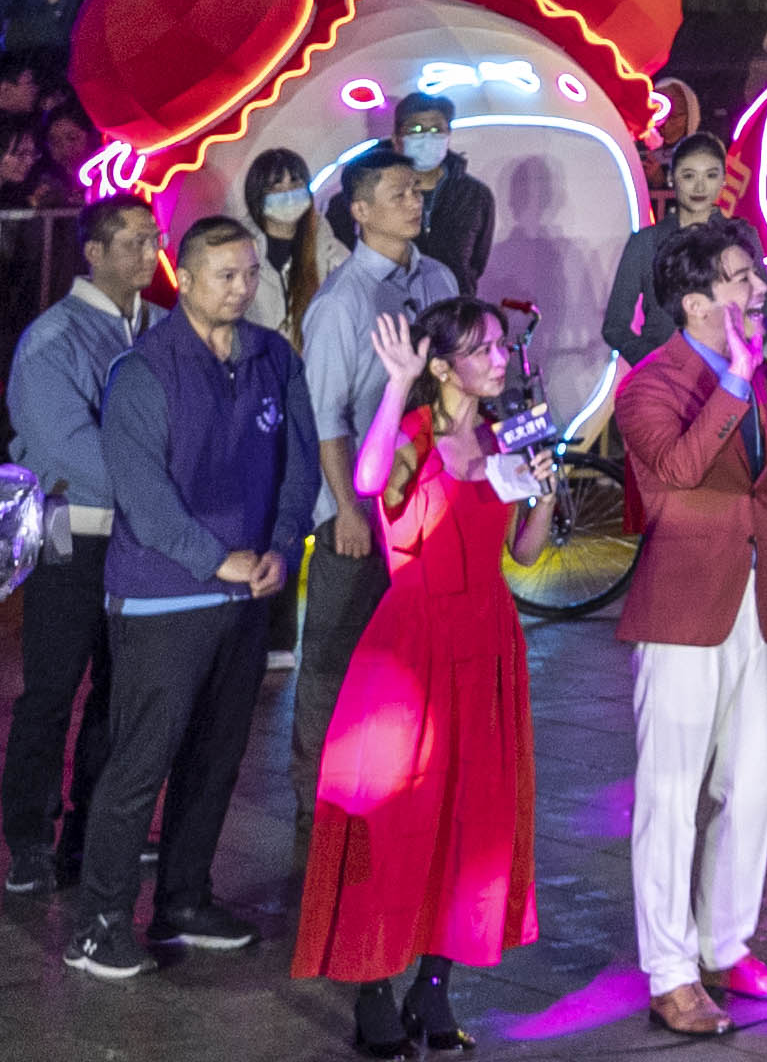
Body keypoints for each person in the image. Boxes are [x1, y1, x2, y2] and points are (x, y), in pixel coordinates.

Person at [291, 295, 549, 1054]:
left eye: (502, 346)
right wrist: (398, 384)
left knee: (475, 824)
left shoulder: (503, 438)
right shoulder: (410, 436)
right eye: (484, 349)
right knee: (397, 823)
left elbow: (527, 554)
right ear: (443, 365)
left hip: (490, 642)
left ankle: (433, 989)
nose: (501, 359)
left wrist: (544, 491)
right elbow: (369, 484)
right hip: (414, 647)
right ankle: (373, 989)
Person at [69, 214, 319, 980]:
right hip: (161, 600)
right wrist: (222, 562)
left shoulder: (274, 357)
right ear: (184, 277)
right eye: (225, 275)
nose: (242, 288)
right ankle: (99, 921)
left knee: (216, 758)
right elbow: (145, 501)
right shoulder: (144, 369)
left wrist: (276, 549)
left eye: (250, 275)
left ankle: (184, 897)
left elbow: (299, 467)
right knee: (141, 761)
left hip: (244, 594)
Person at [614, 222, 767, 1033]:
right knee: (670, 792)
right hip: (685, 605)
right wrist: (737, 377)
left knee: (755, 781)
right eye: (738, 280)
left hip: (756, 599)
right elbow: (679, 472)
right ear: (696, 302)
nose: (757, 290)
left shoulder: (756, 373)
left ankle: (728, 945)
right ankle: (670, 969)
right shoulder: (648, 385)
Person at [286, 148, 465, 794]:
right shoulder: (342, 302)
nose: (414, 202)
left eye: (418, 192)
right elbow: (325, 417)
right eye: (398, 193)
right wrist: (345, 511)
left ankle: (403, 780)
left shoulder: (438, 281)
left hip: (426, 503)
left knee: (412, 652)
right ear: (359, 212)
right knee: (333, 655)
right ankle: (317, 797)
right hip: (360, 507)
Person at [0, 193, 160, 899]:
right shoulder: (54, 337)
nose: (150, 255)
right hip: (77, 532)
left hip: (136, 535)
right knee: (52, 689)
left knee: (117, 692)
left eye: (154, 240)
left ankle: (90, 828)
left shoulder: (153, 327)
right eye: (134, 242)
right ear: (92, 252)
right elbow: (68, 448)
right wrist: (160, 483)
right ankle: (29, 839)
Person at [608, 134, 746, 363]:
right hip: (662, 380)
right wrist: (652, 364)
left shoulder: (741, 238)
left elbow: (763, 313)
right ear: (671, 178)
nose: (700, 186)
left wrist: (742, 363)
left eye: (711, 175)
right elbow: (615, 326)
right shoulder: (646, 243)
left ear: (724, 179)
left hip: (726, 377)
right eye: (689, 175)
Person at [238, 146, 332, 330]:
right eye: (277, 188)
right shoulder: (240, 251)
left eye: (296, 185)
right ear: (257, 195)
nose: (288, 195)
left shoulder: (325, 244)